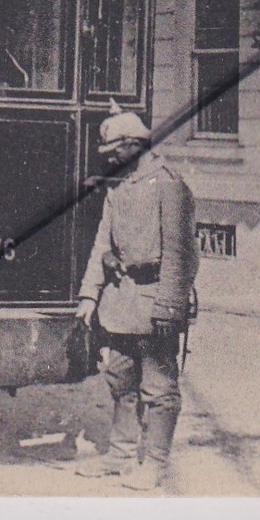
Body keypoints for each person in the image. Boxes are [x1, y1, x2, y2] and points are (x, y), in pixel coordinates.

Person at [74, 112, 198, 491]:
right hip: (121, 302)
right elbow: (101, 246)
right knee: (121, 380)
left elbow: (182, 255)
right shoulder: (120, 187)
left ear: (133, 145)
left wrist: (169, 306)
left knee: (159, 388)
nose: (110, 158)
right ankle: (120, 455)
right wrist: (89, 295)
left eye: (115, 150)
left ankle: (156, 464)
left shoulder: (169, 186)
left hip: (155, 300)